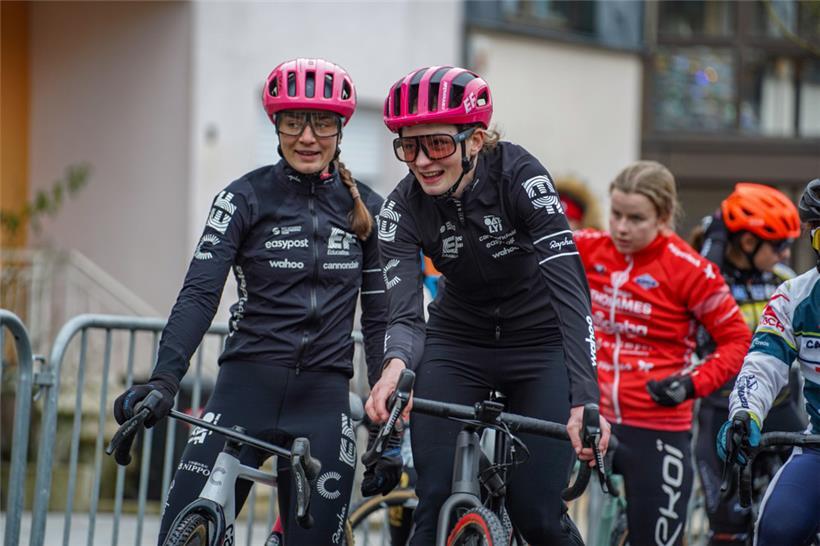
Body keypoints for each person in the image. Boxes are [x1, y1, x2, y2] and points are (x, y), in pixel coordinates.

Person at [113, 58, 387, 544]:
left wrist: (387, 412)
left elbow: (382, 315)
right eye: (293, 122)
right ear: (276, 126)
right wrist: (165, 379)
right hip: (243, 391)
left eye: (322, 123)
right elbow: (199, 293)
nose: (307, 137)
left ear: (341, 129)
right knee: (179, 532)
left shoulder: (368, 208)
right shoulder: (242, 197)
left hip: (322, 401)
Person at [366, 65, 608, 545]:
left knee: (536, 513)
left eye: (437, 144)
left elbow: (569, 292)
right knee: (432, 505)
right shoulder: (400, 208)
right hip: (458, 341)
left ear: (474, 140)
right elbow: (406, 315)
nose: (422, 161)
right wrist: (394, 368)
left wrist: (586, 397)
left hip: (539, 343)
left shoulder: (520, 178)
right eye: (409, 147)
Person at [573, 160, 751, 546]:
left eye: (636, 218)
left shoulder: (692, 270)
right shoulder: (586, 248)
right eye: (616, 214)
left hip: (656, 424)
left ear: (664, 216)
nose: (621, 228)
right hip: (585, 414)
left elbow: (738, 341)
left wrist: (690, 384)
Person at [693, 183, 806, 545]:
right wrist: (714, 240)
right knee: (728, 529)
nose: (785, 253)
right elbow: (697, 294)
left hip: (781, 407)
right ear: (746, 241)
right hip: (721, 411)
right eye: (778, 245)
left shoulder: (784, 280)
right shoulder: (710, 279)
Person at [717, 178, 820, 546]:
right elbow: (763, 363)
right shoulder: (794, 295)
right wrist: (746, 412)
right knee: (776, 530)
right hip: (817, 446)